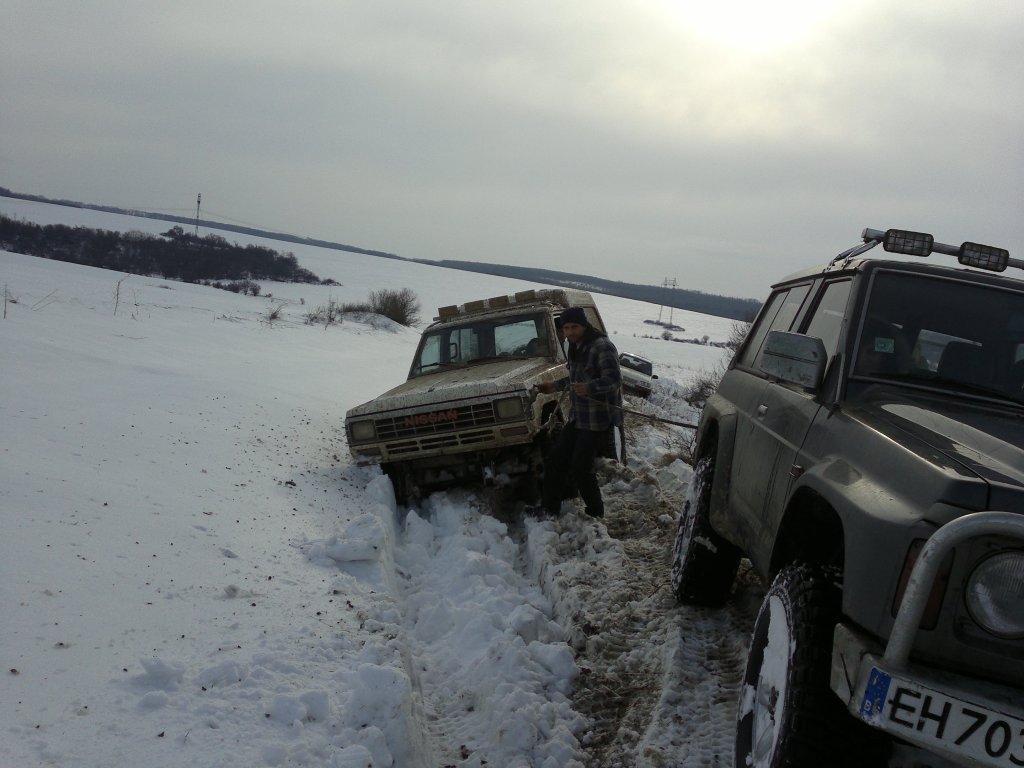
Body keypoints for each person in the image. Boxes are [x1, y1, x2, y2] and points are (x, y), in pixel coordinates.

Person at [529, 306, 622, 518]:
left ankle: (595, 513)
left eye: (574, 327)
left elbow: (615, 381)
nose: (570, 332)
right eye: (566, 328)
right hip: (578, 415)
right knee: (556, 459)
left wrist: (590, 387)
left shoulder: (603, 347)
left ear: (584, 325)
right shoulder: (574, 346)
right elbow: (574, 379)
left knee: (581, 467)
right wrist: (554, 386)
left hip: (597, 417)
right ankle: (549, 508)